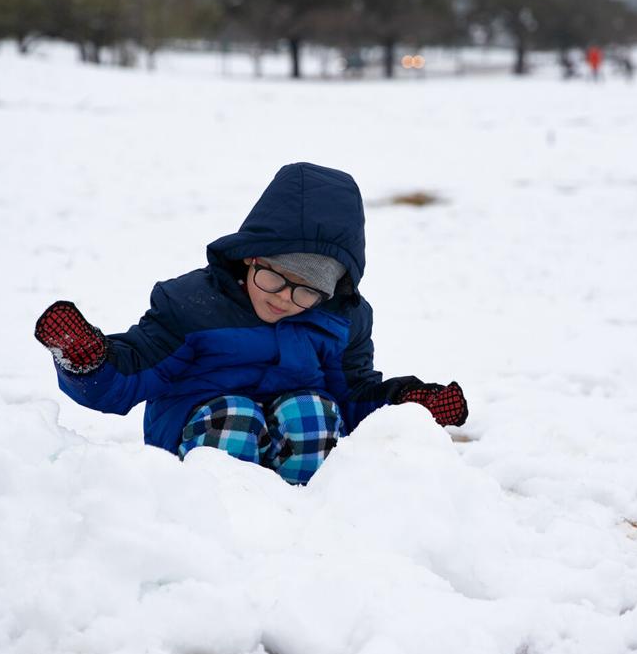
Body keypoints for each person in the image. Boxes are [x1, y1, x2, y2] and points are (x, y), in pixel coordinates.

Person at [34, 162, 468, 485]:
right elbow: (132, 375)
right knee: (235, 419)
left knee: (312, 414)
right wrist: (87, 360)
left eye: (306, 291)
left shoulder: (342, 319)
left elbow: (351, 396)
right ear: (250, 257)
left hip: (296, 441)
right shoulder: (193, 305)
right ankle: (220, 521)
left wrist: (406, 407)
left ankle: (301, 521)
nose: (284, 298)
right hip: (200, 437)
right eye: (274, 278)